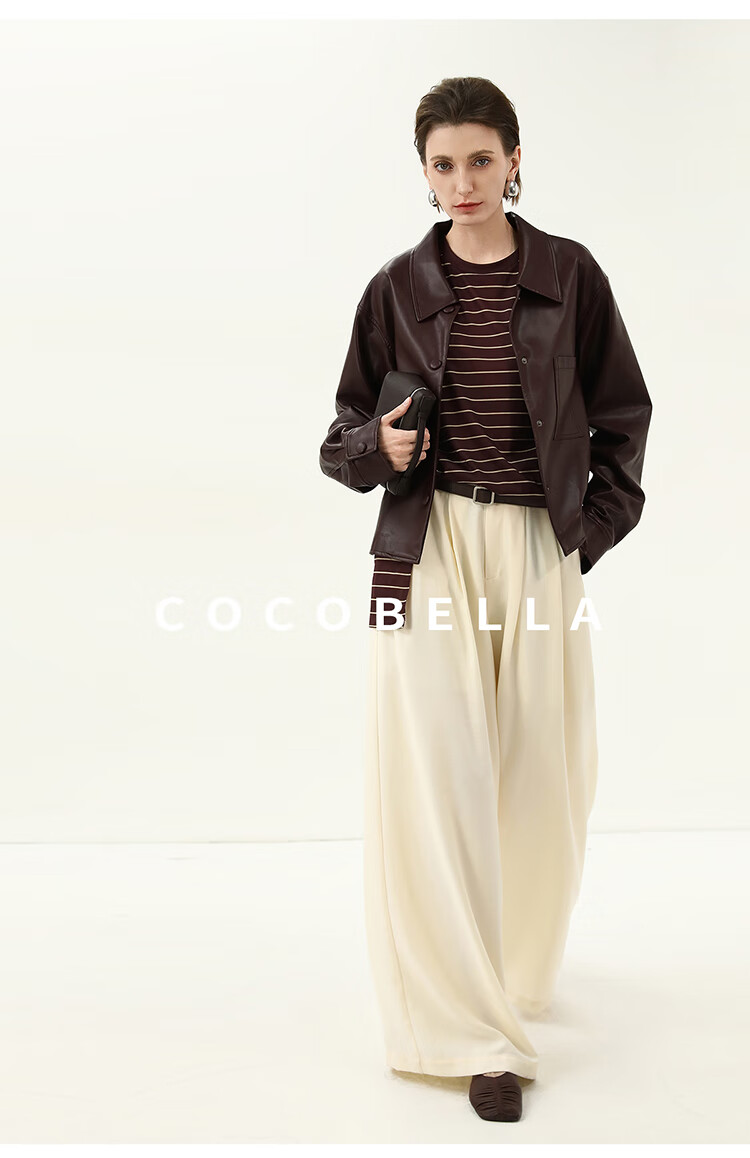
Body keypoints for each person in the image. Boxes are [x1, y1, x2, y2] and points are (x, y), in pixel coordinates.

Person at [319, 76, 652, 1123]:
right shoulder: (394, 289)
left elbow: (624, 417)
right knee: (439, 784)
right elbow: (339, 441)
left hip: (540, 544)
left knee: (546, 776)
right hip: (428, 549)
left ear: (514, 161)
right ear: (423, 173)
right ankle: (472, 1034)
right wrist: (380, 448)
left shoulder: (570, 274)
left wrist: (586, 536)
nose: (461, 181)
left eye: (478, 159)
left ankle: (512, 975)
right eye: (442, 163)